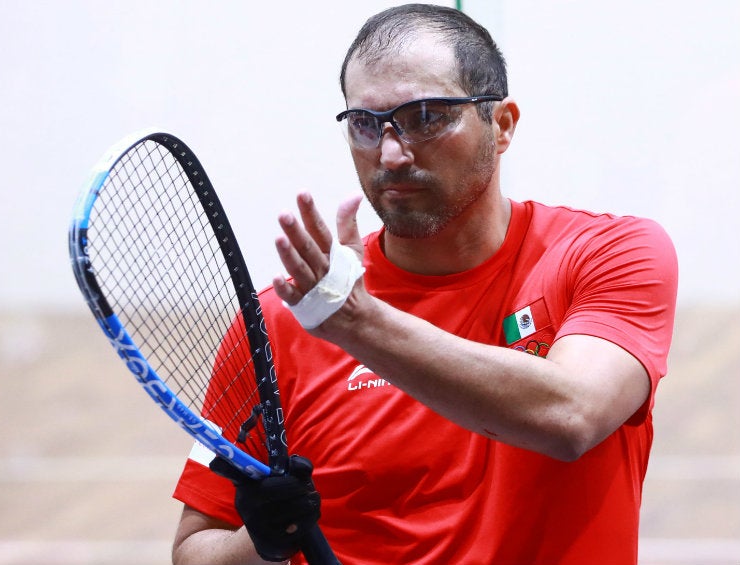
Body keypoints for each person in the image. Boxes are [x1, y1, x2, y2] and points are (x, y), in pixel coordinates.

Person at [171, 4, 678, 564]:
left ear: (502, 124)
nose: (390, 153)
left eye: (426, 117)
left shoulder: (608, 256)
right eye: (367, 124)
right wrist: (263, 538)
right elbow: (196, 551)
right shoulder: (281, 323)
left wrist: (359, 323)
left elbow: (572, 416)